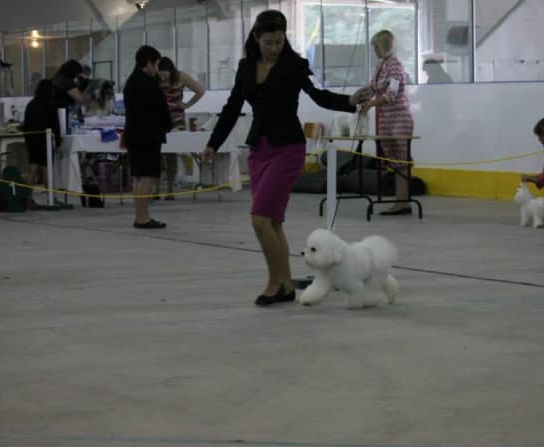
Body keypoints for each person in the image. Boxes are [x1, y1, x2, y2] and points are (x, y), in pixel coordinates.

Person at [202, 9, 367, 306]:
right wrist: (213, 144)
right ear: (256, 38)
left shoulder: (294, 65)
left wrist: (350, 101)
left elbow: (318, 96)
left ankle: (274, 283)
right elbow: (231, 108)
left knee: (259, 218)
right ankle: (286, 285)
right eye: (269, 42)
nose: (275, 47)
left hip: (288, 148)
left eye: (279, 41)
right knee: (273, 221)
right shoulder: (245, 67)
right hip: (259, 150)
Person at [358, 30, 415, 215]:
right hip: (385, 119)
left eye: (376, 47)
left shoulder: (395, 66)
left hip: (399, 117)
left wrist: (371, 103)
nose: (374, 50)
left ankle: (403, 201)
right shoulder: (380, 66)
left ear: (383, 46)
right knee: (393, 161)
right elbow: (373, 87)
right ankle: (400, 201)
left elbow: (391, 94)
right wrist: (360, 94)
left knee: (402, 161)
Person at [123, 45, 173, 229]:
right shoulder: (149, 83)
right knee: (147, 176)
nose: (158, 68)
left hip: (134, 135)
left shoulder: (130, 82)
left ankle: (140, 214)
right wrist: (168, 125)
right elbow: (161, 109)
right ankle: (142, 217)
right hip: (148, 135)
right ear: (149, 63)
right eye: (157, 64)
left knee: (138, 176)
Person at [157, 57, 205, 199]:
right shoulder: (154, 77)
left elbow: (200, 90)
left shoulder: (180, 76)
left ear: (171, 70)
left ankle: (170, 189)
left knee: (171, 154)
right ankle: (155, 189)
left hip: (176, 120)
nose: (163, 76)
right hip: (158, 119)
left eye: (165, 74)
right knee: (157, 154)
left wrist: (187, 105)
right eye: (160, 74)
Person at [22, 79, 62, 206]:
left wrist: (27, 140)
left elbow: (26, 125)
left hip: (32, 140)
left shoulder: (31, 104)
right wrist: (58, 142)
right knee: (47, 168)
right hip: (45, 139)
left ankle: (27, 197)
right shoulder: (51, 104)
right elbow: (55, 125)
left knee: (32, 168)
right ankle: (51, 197)